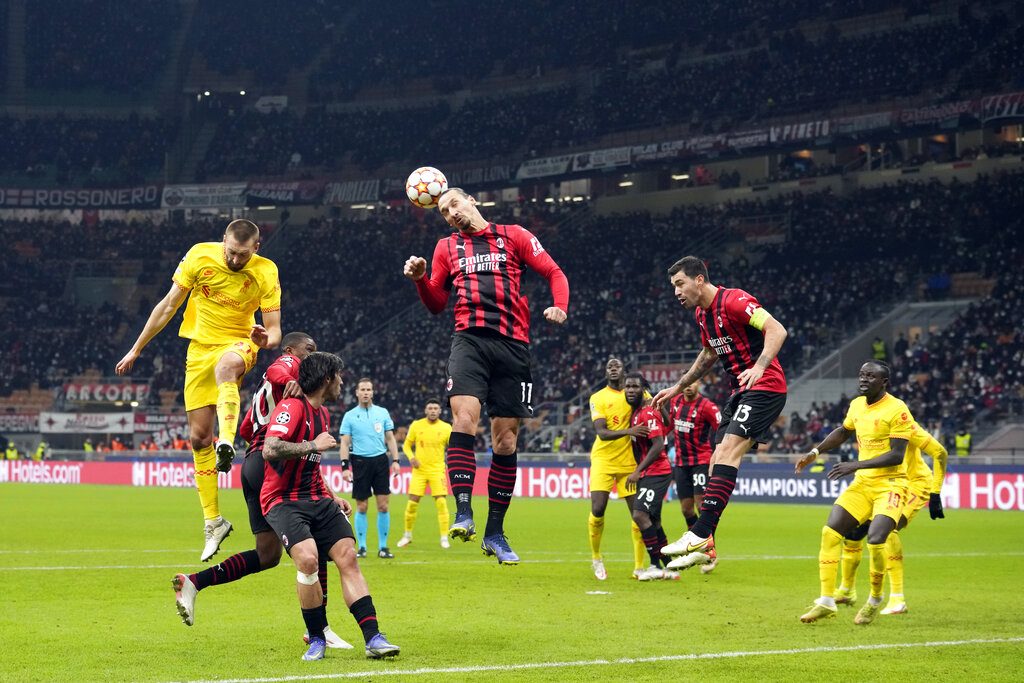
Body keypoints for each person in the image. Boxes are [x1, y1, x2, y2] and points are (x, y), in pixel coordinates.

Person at [402, 187, 568, 565]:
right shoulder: (445, 248)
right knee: (463, 418)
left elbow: (553, 272)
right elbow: (437, 304)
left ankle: (495, 532)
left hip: (513, 346)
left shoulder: (515, 235)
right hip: (470, 341)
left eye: (454, 204)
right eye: (443, 211)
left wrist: (560, 306)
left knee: (506, 440)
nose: (450, 214)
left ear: (472, 200)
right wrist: (421, 279)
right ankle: (463, 512)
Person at [171, 332, 352, 650]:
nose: (311, 355)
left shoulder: (273, 397)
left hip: (253, 463)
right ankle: (318, 628)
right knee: (317, 537)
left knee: (267, 555)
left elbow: (244, 428)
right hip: (272, 462)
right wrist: (291, 379)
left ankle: (194, 583)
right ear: (290, 350)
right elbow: (275, 370)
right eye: (307, 350)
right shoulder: (291, 370)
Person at [116, 219, 281, 562]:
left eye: (243, 254)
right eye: (232, 252)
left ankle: (228, 440)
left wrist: (266, 339)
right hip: (198, 348)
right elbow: (167, 306)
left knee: (227, 370)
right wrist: (136, 348)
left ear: (257, 248)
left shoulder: (266, 272)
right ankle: (214, 522)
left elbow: (276, 332)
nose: (235, 260)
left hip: (239, 343)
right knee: (197, 438)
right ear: (224, 241)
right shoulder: (199, 256)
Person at [261, 351, 399, 661]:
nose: (341, 382)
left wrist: (332, 494)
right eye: (338, 377)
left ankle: (373, 638)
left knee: (348, 556)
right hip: (283, 501)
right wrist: (313, 444)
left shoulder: (322, 413)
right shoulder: (291, 407)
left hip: (317, 498)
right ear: (326, 379)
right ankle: (317, 638)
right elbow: (270, 449)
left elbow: (311, 465)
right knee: (308, 560)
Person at [653, 256, 788, 572]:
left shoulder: (735, 300)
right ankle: (707, 546)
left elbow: (776, 330)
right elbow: (709, 353)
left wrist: (760, 366)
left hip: (766, 385)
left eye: (679, 283)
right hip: (740, 392)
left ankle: (699, 533)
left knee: (728, 451)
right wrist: (676, 387)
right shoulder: (702, 314)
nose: (676, 292)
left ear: (699, 280)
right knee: (717, 460)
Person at [795, 361, 914, 626]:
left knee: (876, 538)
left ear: (884, 382)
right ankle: (826, 601)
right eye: (861, 375)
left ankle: (874, 599)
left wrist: (855, 464)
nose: (864, 380)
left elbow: (896, 455)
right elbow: (844, 431)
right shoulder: (857, 405)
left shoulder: (897, 410)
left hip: (891, 484)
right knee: (831, 531)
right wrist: (815, 452)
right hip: (863, 484)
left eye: (871, 376)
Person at [831, 419, 948, 615]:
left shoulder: (907, 426)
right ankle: (847, 590)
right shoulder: (870, 424)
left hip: (914, 484)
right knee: (853, 531)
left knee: (887, 530)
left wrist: (935, 493)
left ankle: (897, 598)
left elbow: (940, 453)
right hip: (884, 484)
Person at [587, 357, 649, 580]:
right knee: (598, 509)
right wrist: (630, 431)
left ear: (624, 371)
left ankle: (639, 567)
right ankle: (596, 558)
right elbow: (602, 433)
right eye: (609, 366)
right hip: (603, 460)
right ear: (606, 373)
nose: (613, 368)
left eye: (617, 365)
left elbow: (653, 408)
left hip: (629, 463)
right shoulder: (598, 397)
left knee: (637, 515)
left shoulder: (634, 392)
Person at [623, 373, 679, 582]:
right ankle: (670, 565)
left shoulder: (646, 413)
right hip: (651, 471)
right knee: (653, 520)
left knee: (639, 515)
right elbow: (668, 424)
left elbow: (658, 445)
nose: (630, 390)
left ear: (644, 389)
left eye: (635, 387)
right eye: (627, 387)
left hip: (657, 471)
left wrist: (638, 471)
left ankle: (655, 565)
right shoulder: (636, 412)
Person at [339, 379, 400, 559]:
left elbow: (390, 438)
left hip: (380, 461)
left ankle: (383, 547)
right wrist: (344, 466)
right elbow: (344, 442)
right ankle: (362, 547)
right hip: (360, 462)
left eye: (369, 389)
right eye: (363, 389)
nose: (366, 392)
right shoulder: (350, 415)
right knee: (362, 506)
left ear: (373, 392)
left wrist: (395, 460)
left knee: (383, 505)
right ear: (357, 393)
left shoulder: (382, 413)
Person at [396, 398, 453, 550]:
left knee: (441, 503)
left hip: (437, 471)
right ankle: (407, 535)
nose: (433, 410)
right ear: (426, 410)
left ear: (440, 411)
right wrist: (412, 458)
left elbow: (453, 448)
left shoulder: (447, 428)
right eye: (430, 408)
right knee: (412, 504)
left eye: (436, 408)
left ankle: (444, 537)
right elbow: (406, 446)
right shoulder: (416, 425)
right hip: (419, 471)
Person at [668, 382, 722, 537]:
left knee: (701, 506)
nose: (688, 386)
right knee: (686, 509)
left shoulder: (708, 407)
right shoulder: (675, 401)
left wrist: (719, 454)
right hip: (680, 462)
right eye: (685, 382)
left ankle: (710, 548)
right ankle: (695, 543)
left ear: (699, 383)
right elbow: (669, 426)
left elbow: (721, 430)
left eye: (693, 382)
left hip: (701, 462)